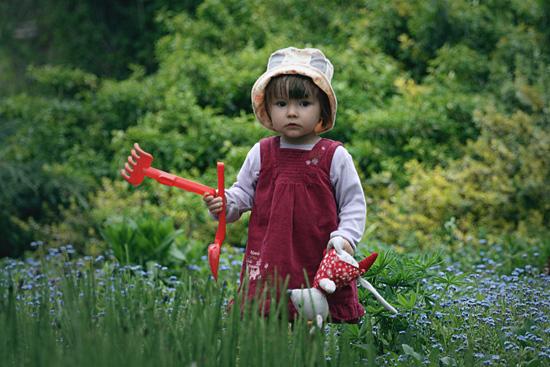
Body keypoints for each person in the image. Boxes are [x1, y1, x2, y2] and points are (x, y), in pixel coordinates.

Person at [203, 47, 366, 323]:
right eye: (281, 104)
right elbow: (242, 194)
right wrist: (225, 204)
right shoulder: (262, 152)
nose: (292, 112)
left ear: (321, 110)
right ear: (268, 109)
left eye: (303, 104)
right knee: (269, 318)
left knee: (317, 319)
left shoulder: (333, 155)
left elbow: (353, 203)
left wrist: (345, 238)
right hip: (271, 256)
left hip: (317, 255)